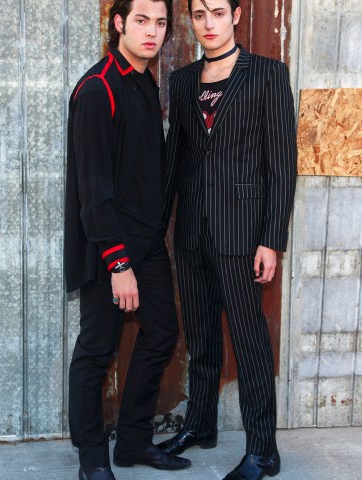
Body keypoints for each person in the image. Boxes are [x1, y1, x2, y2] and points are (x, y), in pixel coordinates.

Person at [157, 1, 297, 479]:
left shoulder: (267, 75)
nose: (208, 23)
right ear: (191, 21)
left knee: (250, 342)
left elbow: (281, 167)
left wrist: (271, 240)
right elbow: (174, 161)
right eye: (199, 15)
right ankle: (200, 424)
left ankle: (263, 450)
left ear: (236, 15)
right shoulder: (181, 81)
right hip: (192, 231)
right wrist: (157, 234)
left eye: (217, 12)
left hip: (243, 235)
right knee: (200, 337)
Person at [64, 0, 192, 478]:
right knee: (97, 350)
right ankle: (93, 461)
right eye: (142, 21)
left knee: (161, 332)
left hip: (147, 243)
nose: (152, 32)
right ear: (118, 23)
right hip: (108, 248)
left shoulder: (142, 80)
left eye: (160, 23)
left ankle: (134, 442)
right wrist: (118, 264)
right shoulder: (98, 89)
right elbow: (92, 190)